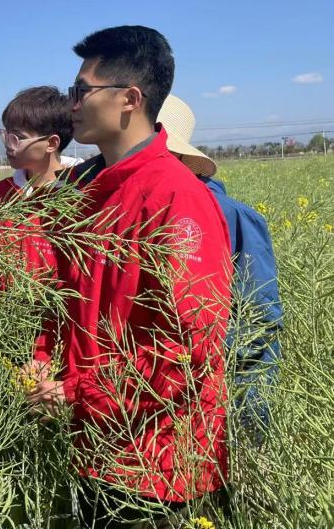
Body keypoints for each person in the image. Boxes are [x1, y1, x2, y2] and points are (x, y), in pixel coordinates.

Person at [25, 27, 232, 526]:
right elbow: (63, 302)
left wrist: (77, 391)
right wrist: (41, 362)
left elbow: (190, 344)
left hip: (159, 465)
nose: (72, 104)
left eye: (82, 90)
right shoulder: (86, 193)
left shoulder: (177, 197)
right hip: (94, 447)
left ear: (130, 99)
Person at [157, 94, 282, 437]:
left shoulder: (233, 216)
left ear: (177, 155)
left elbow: (257, 320)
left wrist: (245, 420)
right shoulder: (126, 208)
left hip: (208, 398)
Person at [0, 86, 73, 286]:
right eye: (6, 135)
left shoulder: (80, 197)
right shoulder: (1, 193)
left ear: (51, 143)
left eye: (17, 138)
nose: (8, 144)